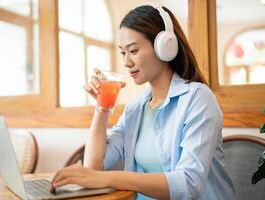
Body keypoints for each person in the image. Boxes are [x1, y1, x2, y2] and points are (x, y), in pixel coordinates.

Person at [51, 3, 234, 200]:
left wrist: (107, 179)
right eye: (123, 52)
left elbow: (188, 184)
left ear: (165, 46)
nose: (126, 62)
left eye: (134, 50)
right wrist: (102, 107)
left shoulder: (198, 98)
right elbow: (94, 167)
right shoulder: (135, 108)